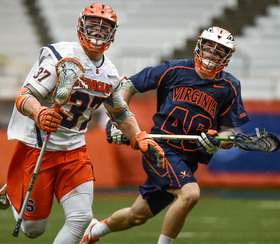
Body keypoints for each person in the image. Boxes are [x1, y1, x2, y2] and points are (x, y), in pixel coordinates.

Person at [0, 3, 164, 244]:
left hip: (75, 151)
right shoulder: (61, 56)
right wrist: (40, 113)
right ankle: (16, 188)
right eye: (93, 25)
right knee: (33, 230)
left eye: (104, 28)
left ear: (112, 35)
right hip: (40, 147)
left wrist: (137, 136)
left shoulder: (109, 72)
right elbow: (25, 97)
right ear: (81, 27)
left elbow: (120, 112)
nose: (97, 32)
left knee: (81, 217)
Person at [80, 26, 251, 244]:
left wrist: (215, 141)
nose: (211, 55)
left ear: (226, 57)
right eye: (208, 49)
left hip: (188, 160)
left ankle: (93, 232)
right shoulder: (174, 69)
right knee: (190, 194)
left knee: (137, 216)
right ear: (199, 47)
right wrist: (117, 121)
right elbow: (128, 85)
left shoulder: (230, 86)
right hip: (160, 150)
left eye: (218, 52)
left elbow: (227, 132)